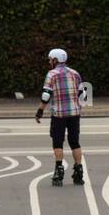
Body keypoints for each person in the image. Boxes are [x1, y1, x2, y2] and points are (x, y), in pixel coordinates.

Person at [36, 48, 85, 186]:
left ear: (55, 60)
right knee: (74, 141)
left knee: (58, 141)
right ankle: (79, 171)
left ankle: (58, 171)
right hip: (75, 113)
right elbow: (83, 95)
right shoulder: (75, 73)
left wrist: (40, 111)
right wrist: (77, 106)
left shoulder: (52, 74)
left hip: (59, 114)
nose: (49, 62)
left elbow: (46, 95)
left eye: (50, 59)